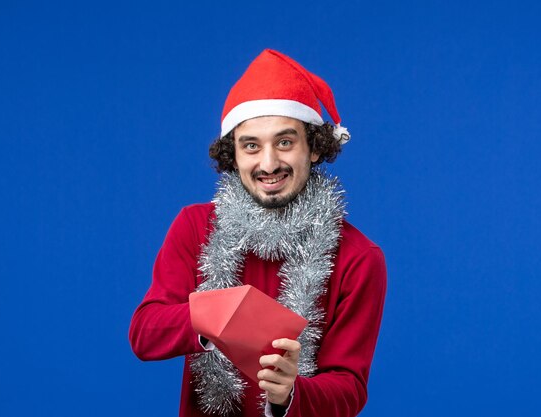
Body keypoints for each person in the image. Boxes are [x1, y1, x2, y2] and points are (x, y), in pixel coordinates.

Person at [129, 49, 387, 417]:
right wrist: (210, 316)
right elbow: (144, 334)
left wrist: (291, 394)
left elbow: (349, 387)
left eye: (285, 142)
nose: (268, 164)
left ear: (314, 148)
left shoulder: (359, 258)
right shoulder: (194, 226)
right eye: (251, 145)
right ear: (232, 155)